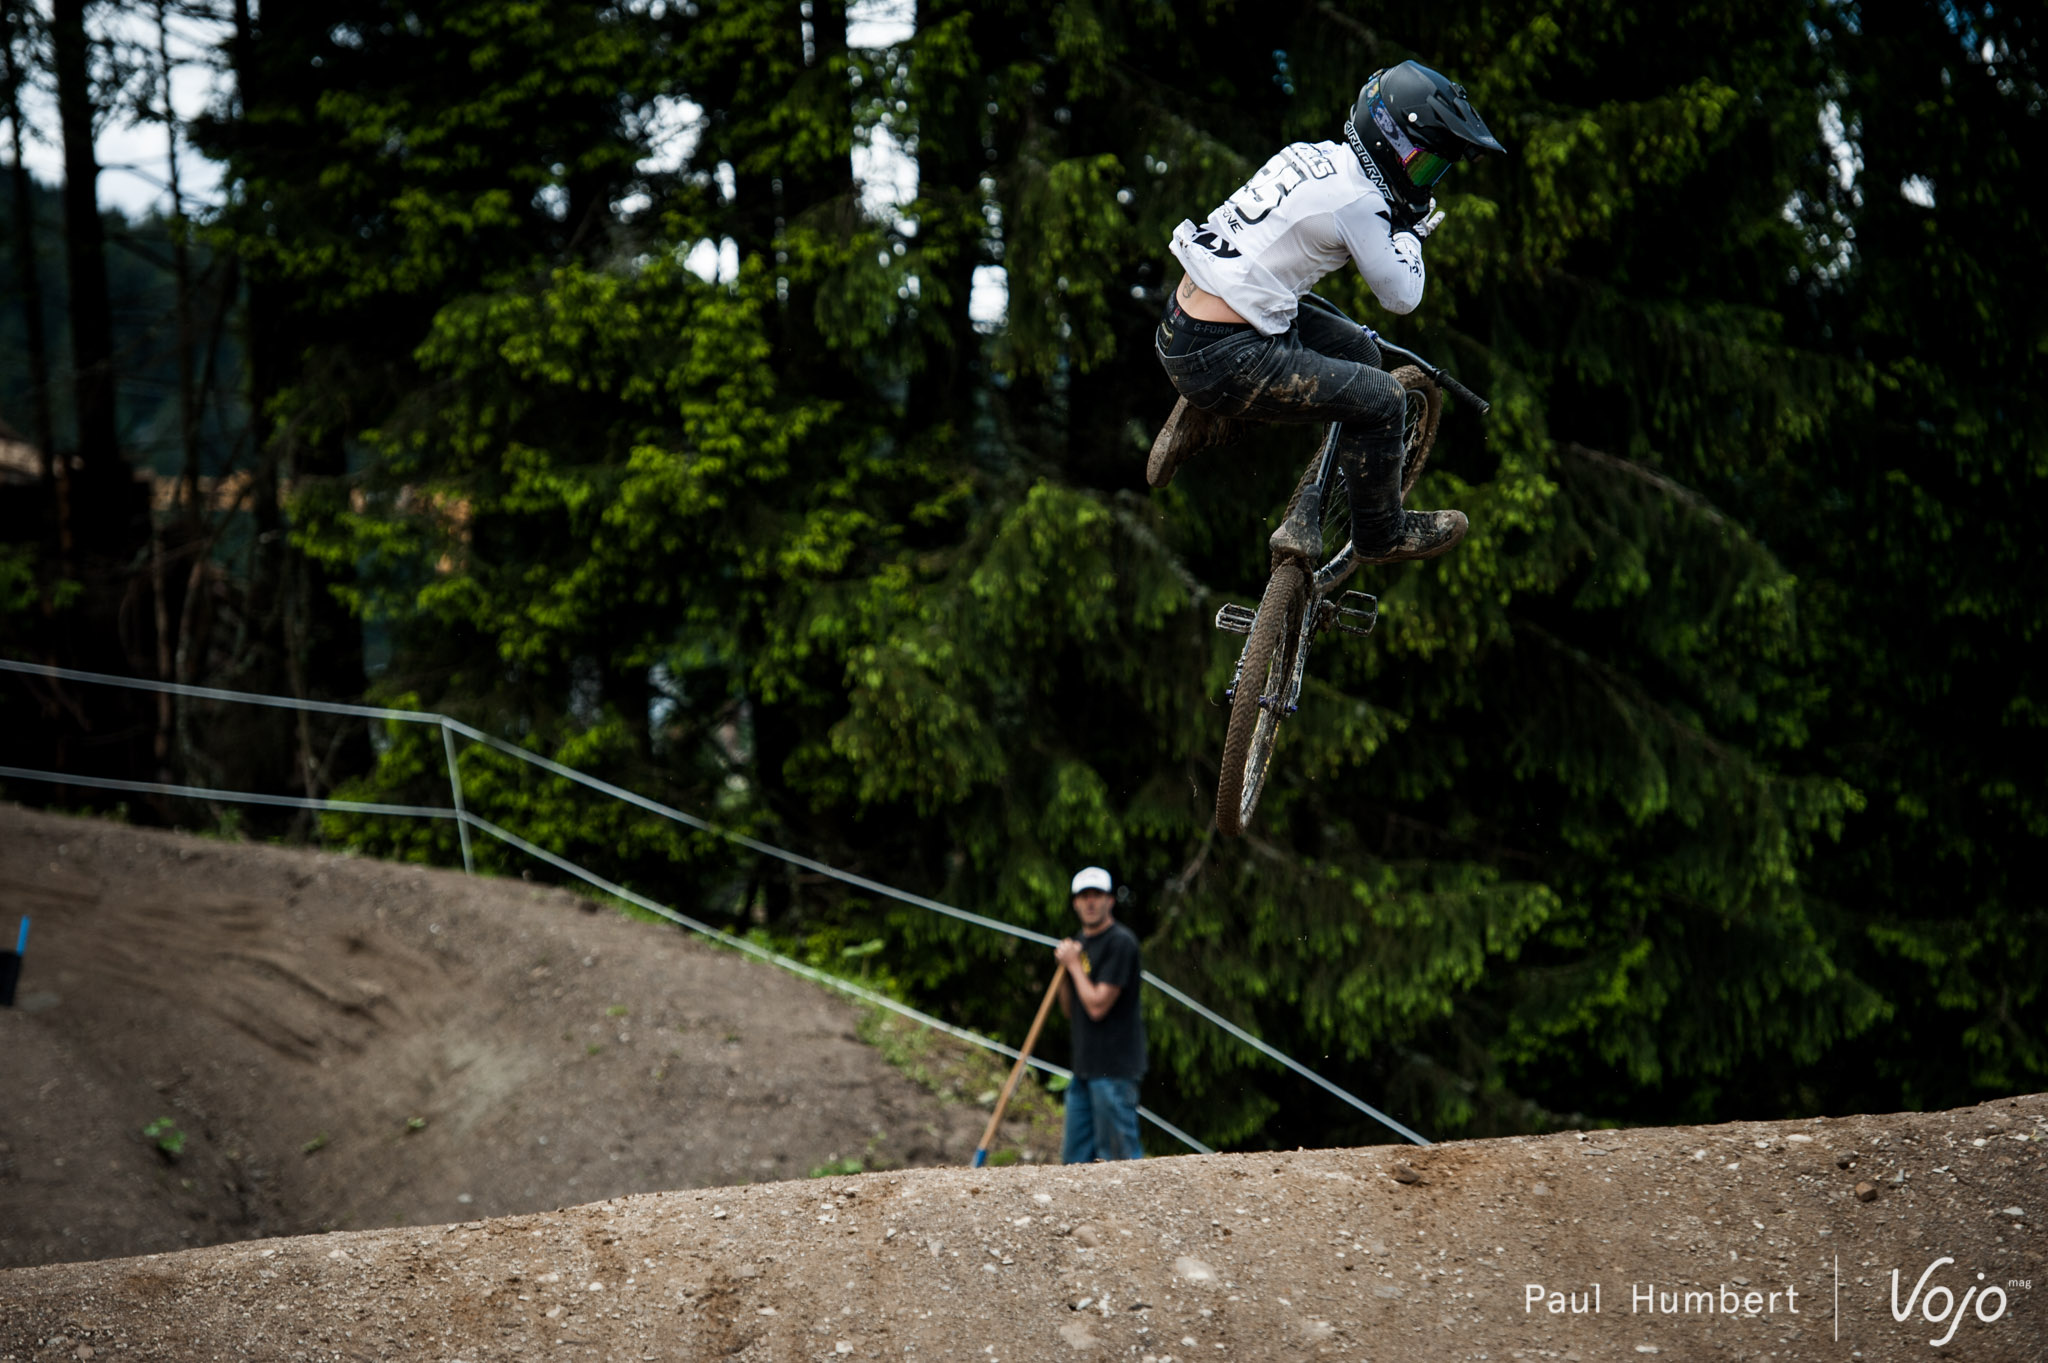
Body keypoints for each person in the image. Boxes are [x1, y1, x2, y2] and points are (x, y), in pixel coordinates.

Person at [1147, 61, 1505, 566]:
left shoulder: (1311, 156)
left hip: (1183, 323)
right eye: (1425, 167)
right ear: (1390, 143)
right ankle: (1382, 533)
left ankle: (1209, 419)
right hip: (1224, 355)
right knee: (1383, 399)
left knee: (1358, 351)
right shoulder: (1359, 202)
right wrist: (1413, 233)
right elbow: (1402, 295)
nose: (1427, 183)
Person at [1054, 865, 1145, 1163]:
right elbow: (1071, 1010)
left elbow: (1096, 1006)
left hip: (1115, 1071)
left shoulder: (1121, 942)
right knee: (1074, 1164)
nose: (1090, 902)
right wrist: (1065, 973)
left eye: (1097, 895)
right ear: (1075, 903)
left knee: (1118, 1161)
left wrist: (1073, 965)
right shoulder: (1079, 945)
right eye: (1084, 896)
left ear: (1110, 900)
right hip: (1083, 1070)